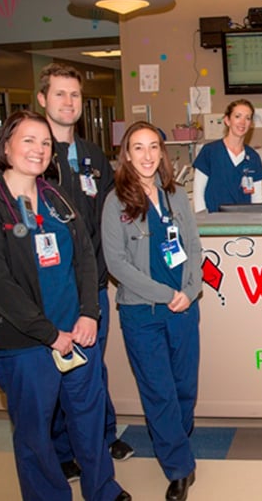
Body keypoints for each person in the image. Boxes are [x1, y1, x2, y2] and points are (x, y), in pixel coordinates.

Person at [0, 110, 130, 501]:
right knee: (35, 434)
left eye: (45, 143)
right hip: (28, 344)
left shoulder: (57, 198)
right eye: (28, 140)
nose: (38, 150)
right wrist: (49, 334)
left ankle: (102, 489)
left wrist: (89, 313)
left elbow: (85, 257)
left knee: (88, 420)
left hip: (78, 334)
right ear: (6, 146)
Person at [37, 62, 134, 480]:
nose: (68, 102)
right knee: (59, 369)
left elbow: (111, 213)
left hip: (91, 284)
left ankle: (103, 436)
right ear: (42, 99)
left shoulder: (93, 157)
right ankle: (64, 450)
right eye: (59, 93)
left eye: (74, 94)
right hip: (50, 288)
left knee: (92, 367)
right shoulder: (35, 155)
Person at [102, 122, 202, 501]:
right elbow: (117, 264)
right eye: (138, 148)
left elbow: (194, 247)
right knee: (159, 391)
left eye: (153, 147)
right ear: (127, 155)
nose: (147, 155)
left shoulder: (175, 196)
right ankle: (178, 467)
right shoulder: (115, 202)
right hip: (142, 313)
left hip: (183, 309)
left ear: (162, 152)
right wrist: (166, 293)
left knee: (184, 388)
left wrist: (190, 291)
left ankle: (178, 441)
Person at [193, 99, 262, 212]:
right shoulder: (209, 152)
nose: (242, 122)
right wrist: (203, 218)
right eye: (237, 116)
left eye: (247, 118)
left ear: (251, 124)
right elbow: (198, 193)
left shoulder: (253, 157)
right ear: (227, 120)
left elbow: (257, 199)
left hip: (244, 220)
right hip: (214, 219)